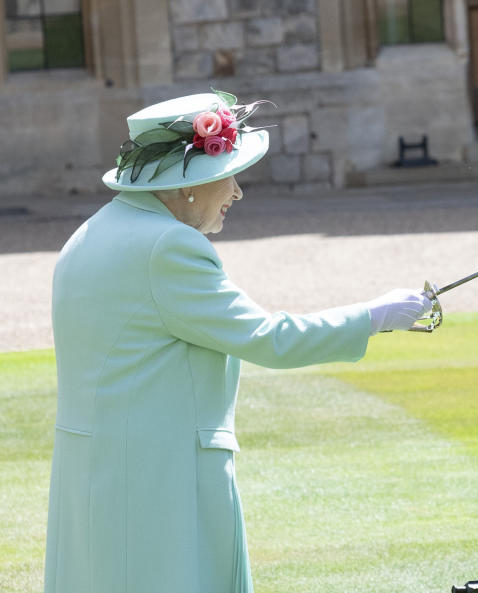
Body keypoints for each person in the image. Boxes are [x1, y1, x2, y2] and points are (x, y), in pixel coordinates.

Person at [44, 92, 433, 593]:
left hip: (91, 478)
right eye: (228, 173)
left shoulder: (90, 232)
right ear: (187, 186)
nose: (237, 191)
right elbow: (269, 339)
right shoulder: (170, 246)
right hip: (159, 481)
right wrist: (374, 317)